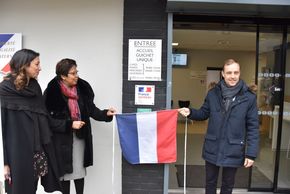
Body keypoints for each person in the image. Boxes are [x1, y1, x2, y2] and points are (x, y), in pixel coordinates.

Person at [179, 59, 259, 194]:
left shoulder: (249, 98)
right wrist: (190, 112)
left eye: (236, 72)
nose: (232, 76)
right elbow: (204, 113)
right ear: (223, 74)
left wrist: (251, 154)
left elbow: (253, 127)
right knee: (210, 183)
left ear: (239, 73)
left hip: (233, 147)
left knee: (228, 185)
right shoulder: (212, 94)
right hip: (213, 145)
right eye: (229, 73)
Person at [43, 58, 117, 194]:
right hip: (61, 141)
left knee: (79, 172)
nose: (76, 75)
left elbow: (92, 110)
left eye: (77, 72)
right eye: (73, 73)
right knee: (65, 175)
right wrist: (70, 124)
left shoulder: (82, 89)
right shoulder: (51, 93)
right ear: (63, 76)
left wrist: (107, 114)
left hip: (79, 138)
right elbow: (48, 121)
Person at [0, 49, 62, 194]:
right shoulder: (4, 90)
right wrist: (5, 163)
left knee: (32, 189)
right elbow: (2, 129)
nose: (40, 68)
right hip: (16, 154)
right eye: (37, 64)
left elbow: (44, 117)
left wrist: (68, 124)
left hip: (37, 151)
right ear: (24, 65)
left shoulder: (34, 86)